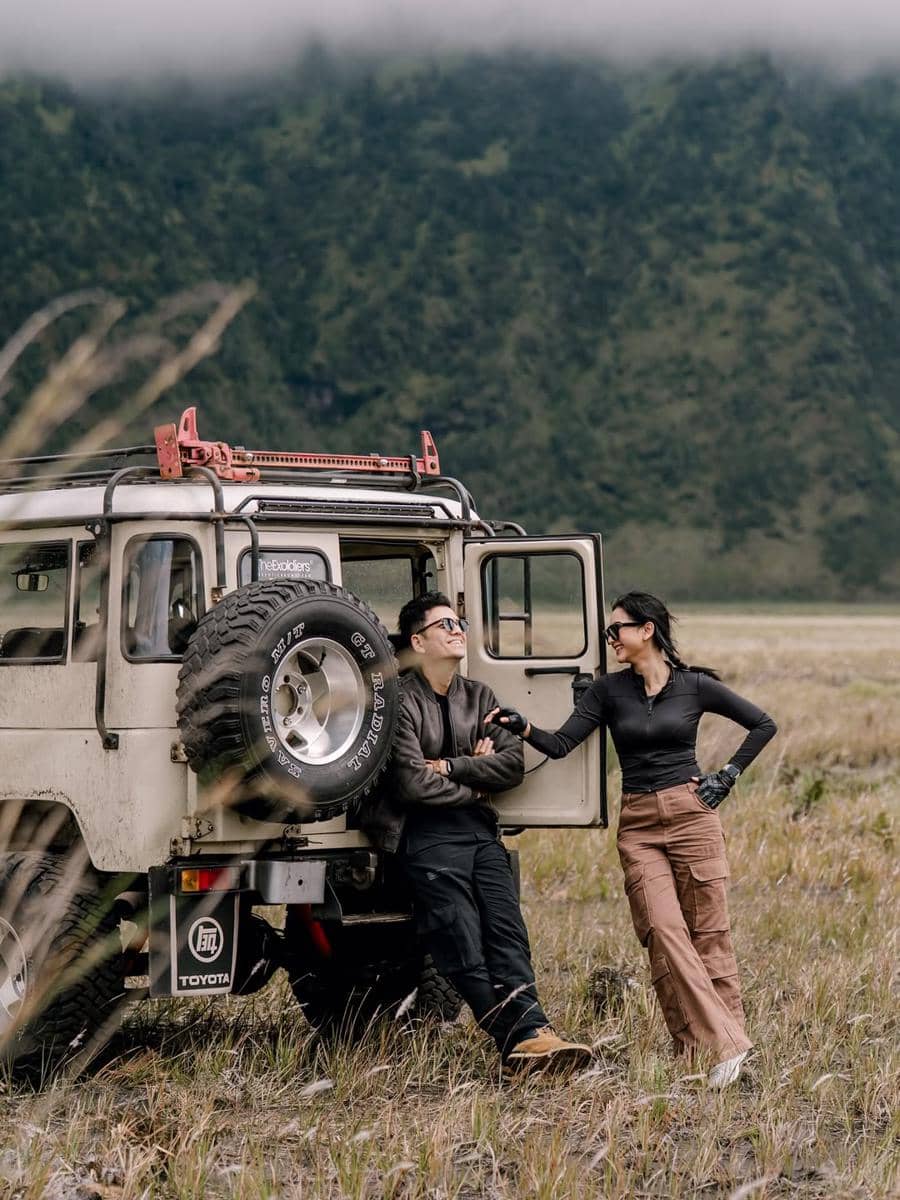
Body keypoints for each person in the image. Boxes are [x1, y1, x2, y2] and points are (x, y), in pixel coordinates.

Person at [486, 591, 777, 1090]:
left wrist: (726, 775)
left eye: (615, 629)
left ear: (647, 630)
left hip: (692, 815)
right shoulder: (607, 691)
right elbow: (560, 745)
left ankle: (705, 1055)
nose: (609, 639)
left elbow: (763, 724)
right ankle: (724, 1045)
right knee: (663, 932)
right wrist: (523, 726)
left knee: (709, 935)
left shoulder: (695, 686)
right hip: (639, 822)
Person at [363, 591, 592, 1075]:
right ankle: (523, 1036)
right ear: (418, 641)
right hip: (425, 836)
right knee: (460, 940)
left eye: (459, 621)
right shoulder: (400, 700)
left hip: (479, 833)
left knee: (508, 931)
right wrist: (475, 780)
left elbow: (511, 765)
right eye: (444, 624)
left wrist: (450, 766)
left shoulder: (480, 696)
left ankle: (531, 1033)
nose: (458, 629)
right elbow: (409, 783)